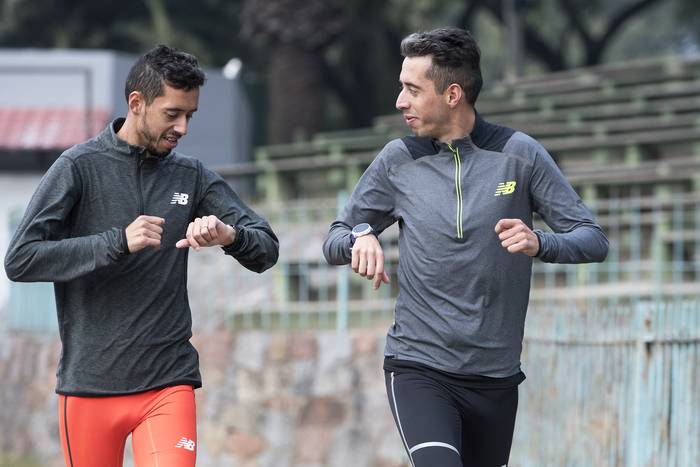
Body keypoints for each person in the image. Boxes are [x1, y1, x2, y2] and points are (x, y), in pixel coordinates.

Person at [323, 28, 608, 467]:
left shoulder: (521, 155)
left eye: (412, 90)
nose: (400, 101)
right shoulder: (398, 160)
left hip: (496, 378)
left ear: (453, 93)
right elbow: (335, 235)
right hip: (419, 366)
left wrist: (539, 242)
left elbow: (593, 239)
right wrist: (359, 237)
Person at [4, 45, 279, 467]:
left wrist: (229, 236)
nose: (183, 127)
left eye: (190, 115)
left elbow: (266, 247)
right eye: (172, 114)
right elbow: (20, 259)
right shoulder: (77, 167)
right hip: (90, 386)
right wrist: (116, 241)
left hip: (167, 382)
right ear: (137, 103)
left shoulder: (192, 175)